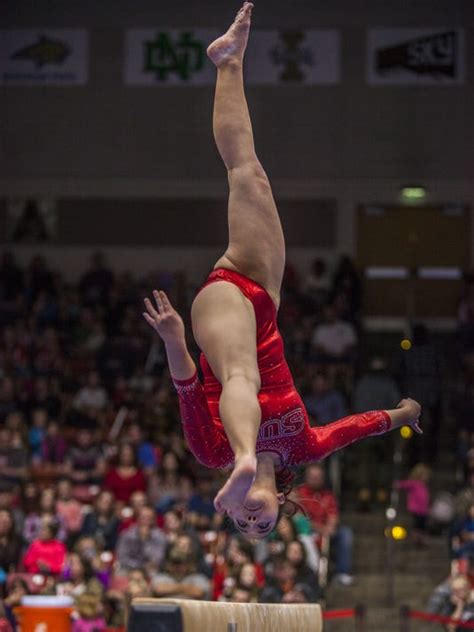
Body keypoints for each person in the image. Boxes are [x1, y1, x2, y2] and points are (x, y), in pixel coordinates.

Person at [143, 1, 422, 538]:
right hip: (261, 300)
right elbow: (358, 426)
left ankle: (246, 456)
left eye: (243, 523)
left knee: (241, 375)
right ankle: (228, 62)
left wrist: (174, 339)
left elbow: (184, 384)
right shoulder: (304, 446)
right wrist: (403, 414)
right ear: (283, 506)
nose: (251, 520)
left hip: (221, 315)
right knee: (247, 172)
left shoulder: (208, 451)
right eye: (261, 524)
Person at [297, 464, 354, 585]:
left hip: (327, 532)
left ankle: (342, 573)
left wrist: (330, 527)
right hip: (308, 532)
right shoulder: (299, 494)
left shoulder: (328, 495)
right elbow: (300, 519)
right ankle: (313, 576)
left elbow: (333, 515)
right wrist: (322, 529)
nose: (316, 480)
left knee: (345, 533)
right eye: (313, 477)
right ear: (306, 477)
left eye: (318, 477)